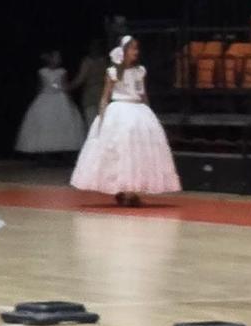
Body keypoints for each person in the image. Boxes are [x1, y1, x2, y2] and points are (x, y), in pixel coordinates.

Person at [70, 35, 181, 206]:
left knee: (138, 152)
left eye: (137, 49)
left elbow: (143, 95)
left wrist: (150, 115)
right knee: (121, 151)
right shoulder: (113, 72)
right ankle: (123, 190)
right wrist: (101, 118)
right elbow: (105, 98)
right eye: (132, 48)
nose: (136, 52)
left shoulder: (140, 71)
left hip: (137, 111)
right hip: (119, 112)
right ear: (123, 51)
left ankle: (132, 191)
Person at [14, 50, 87, 155]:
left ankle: (62, 152)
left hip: (60, 98)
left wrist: (69, 98)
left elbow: (64, 86)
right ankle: (44, 153)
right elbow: (39, 87)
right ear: (50, 59)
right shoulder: (42, 71)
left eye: (59, 58)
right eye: (56, 57)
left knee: (61, 122)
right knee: (44, 122)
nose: (58, 60)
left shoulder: (62, 71)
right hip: (45, 97)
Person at [74, 39, 109, 120]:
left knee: (93, 121)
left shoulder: (88, 62)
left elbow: (80, 79)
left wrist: (68, 87)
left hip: (94, 95)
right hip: (98, 94)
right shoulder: (104, 61)